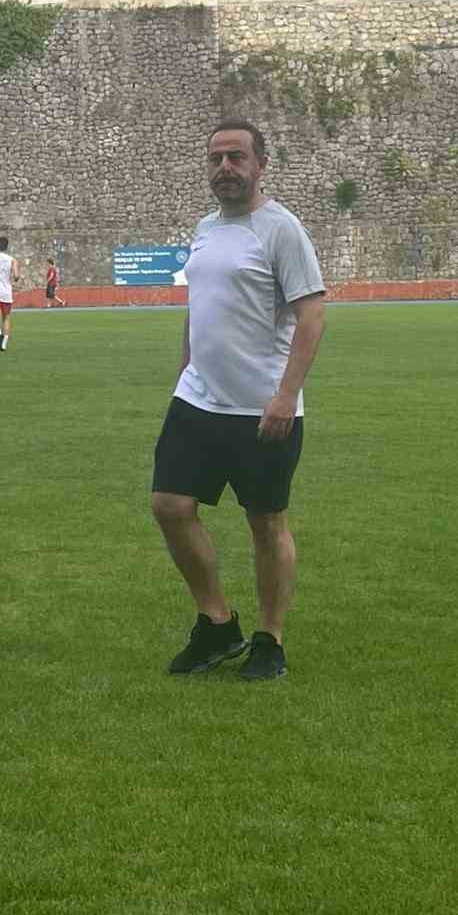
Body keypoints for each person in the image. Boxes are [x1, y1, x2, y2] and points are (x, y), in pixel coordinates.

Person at [152, 119, 326, 683]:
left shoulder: (280, 230)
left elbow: (312, 316)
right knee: (170, 506)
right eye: (215, 159)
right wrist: (183, 374)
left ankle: (269, 640)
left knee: (266, 522)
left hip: (262, 409)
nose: (224, 168)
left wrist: (286, 395)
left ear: (260, 164)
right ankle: (217, 622)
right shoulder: (205, 228)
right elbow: (198, 307)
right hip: (198, 400)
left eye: (236, 158)